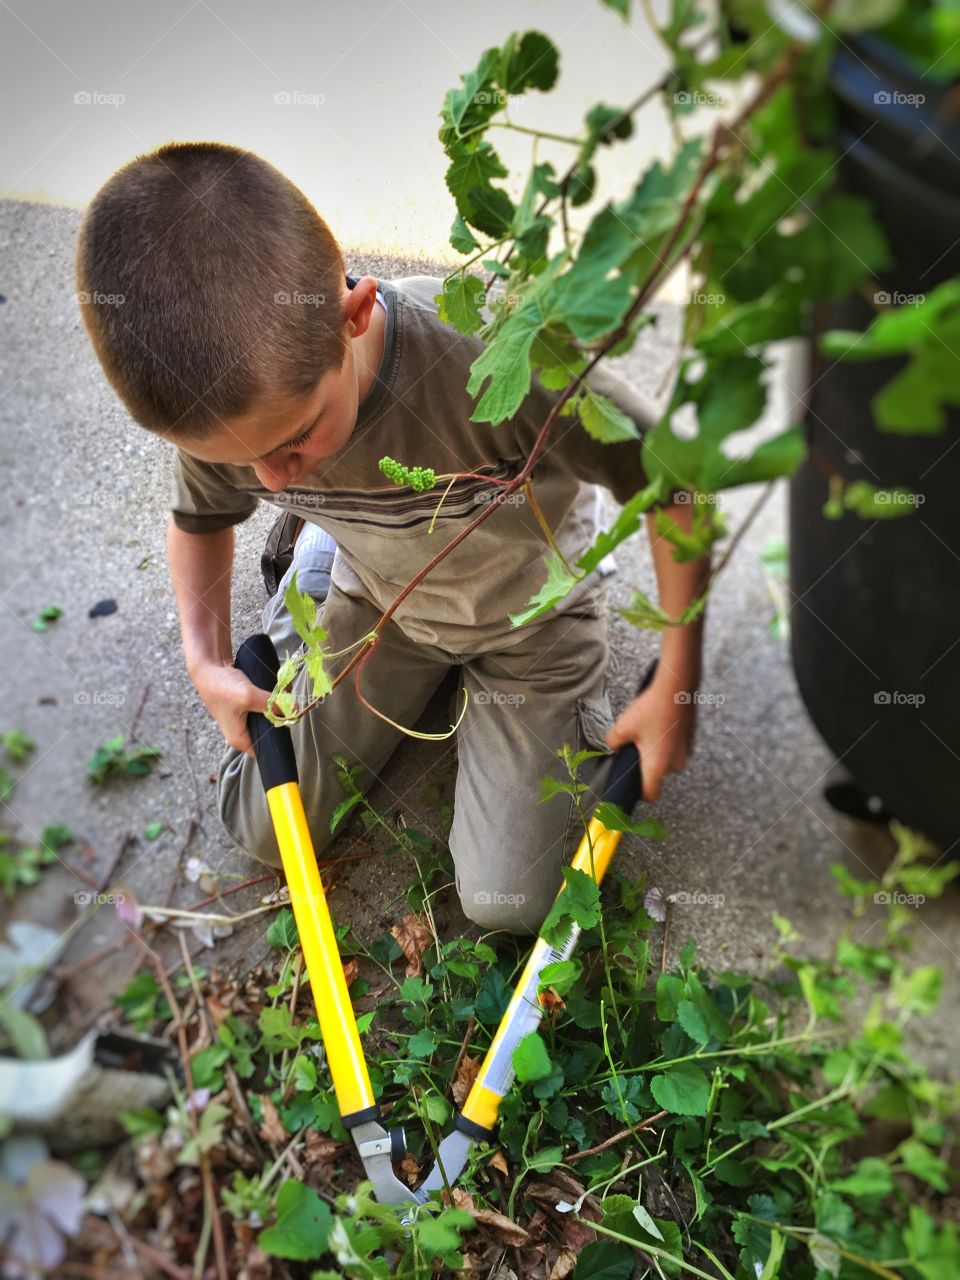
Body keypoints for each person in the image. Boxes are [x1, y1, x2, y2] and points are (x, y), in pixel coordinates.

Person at [75, 141, 709, 935]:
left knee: (508, 902)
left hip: (529, 619)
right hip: (381, 599)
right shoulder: (237, 413)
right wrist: (203, 660)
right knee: (263, 830)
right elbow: (198, 519)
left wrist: (677, 677)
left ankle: (317, 564)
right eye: (241, 461)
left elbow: (677, 482)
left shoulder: (502, 356)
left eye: (298, 442)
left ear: (355, 313)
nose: (272, 482)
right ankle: (318, 559)